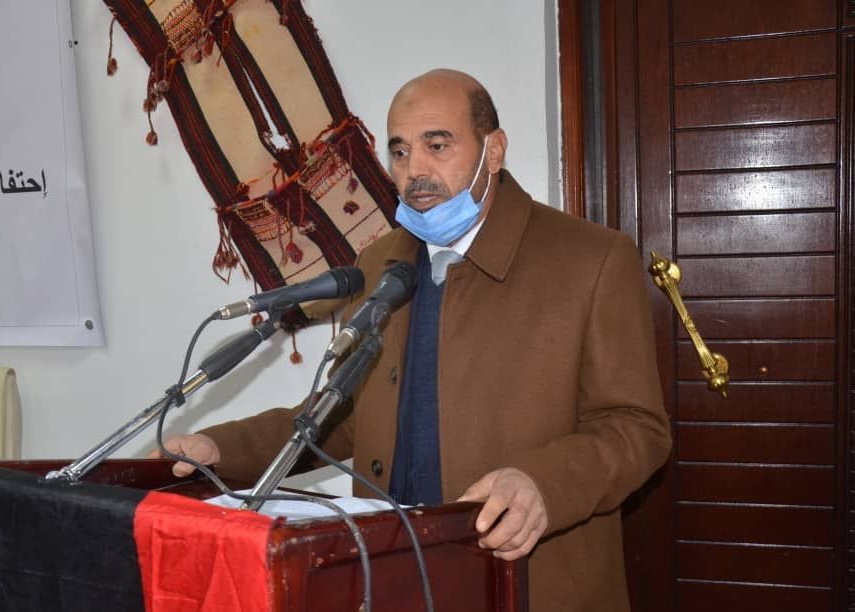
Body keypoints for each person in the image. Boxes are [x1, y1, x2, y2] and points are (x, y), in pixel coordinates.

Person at [155, 69, 672, 611]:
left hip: (529, 585)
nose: (414, 170)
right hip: (392, 580)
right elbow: (344, 416)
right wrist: (223, 450)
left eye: (437, 145)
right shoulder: (380, 262)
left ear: (493, 151)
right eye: (399, 151)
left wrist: (544, 485)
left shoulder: (592, 259)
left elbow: (638, 428)